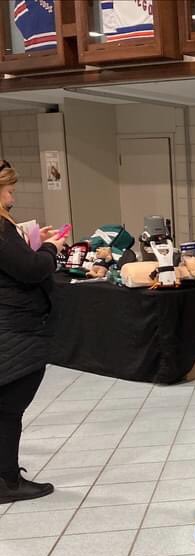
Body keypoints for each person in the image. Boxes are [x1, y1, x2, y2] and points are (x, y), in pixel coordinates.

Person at [0, 161, 69, 504]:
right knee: (10, 408)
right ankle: (8, 481)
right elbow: (29, 270)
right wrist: (50, 248)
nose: (12, 198)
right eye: (9, 191)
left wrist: (33, 241)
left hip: (10, 324)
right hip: (15, 329)